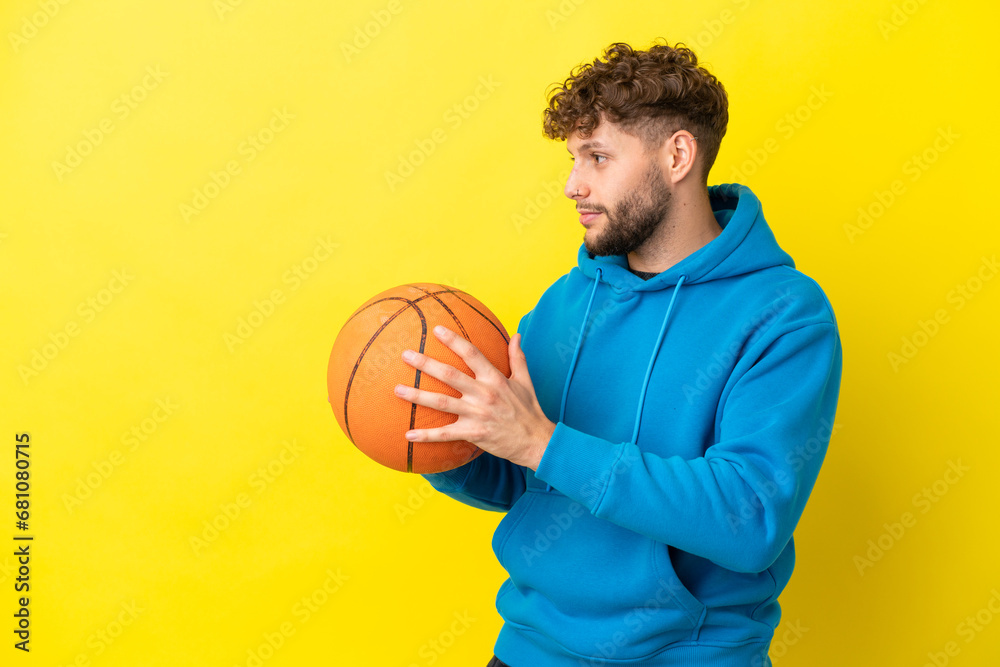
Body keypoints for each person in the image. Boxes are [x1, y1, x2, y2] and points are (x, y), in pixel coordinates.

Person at [393, 40, 842, 667]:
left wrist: (539, 442)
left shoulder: (784, 315)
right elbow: (521, 481)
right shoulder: (566, 301)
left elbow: (749, 519)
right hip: (528, 649)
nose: (573, 185)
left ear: (677, 155)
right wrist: (436, 436)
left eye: (598, 157)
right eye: (574, 159)